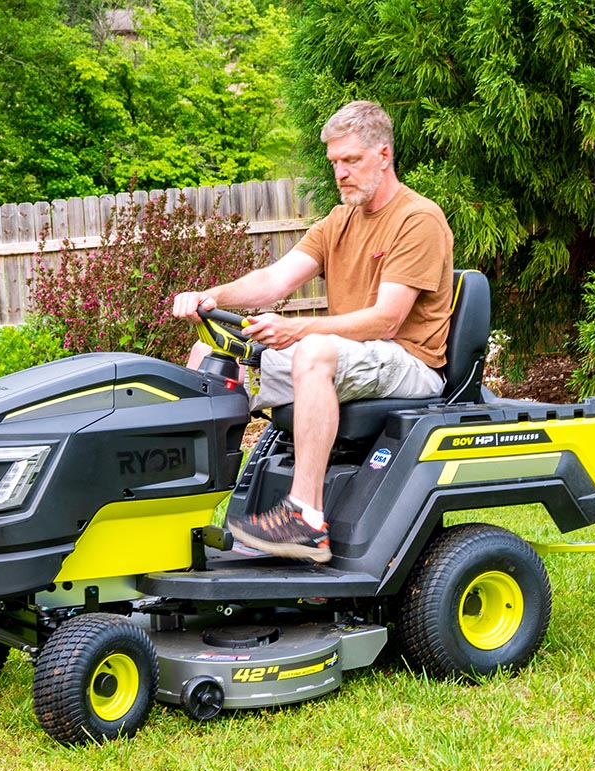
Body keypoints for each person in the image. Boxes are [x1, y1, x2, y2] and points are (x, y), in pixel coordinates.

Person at [172, 100, 454, 563]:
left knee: (313, 351)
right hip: (352, 357)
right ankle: (188, 510)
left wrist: (298, 330)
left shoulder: (417, 220)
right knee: (210, 358)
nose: (341, 173)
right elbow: (274, 280)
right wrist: (212, 296)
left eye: (352, 161)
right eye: (335, 163)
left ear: (383, 156)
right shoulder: (339, 221)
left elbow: (387, 321)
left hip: (411, 362)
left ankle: (305, 518)